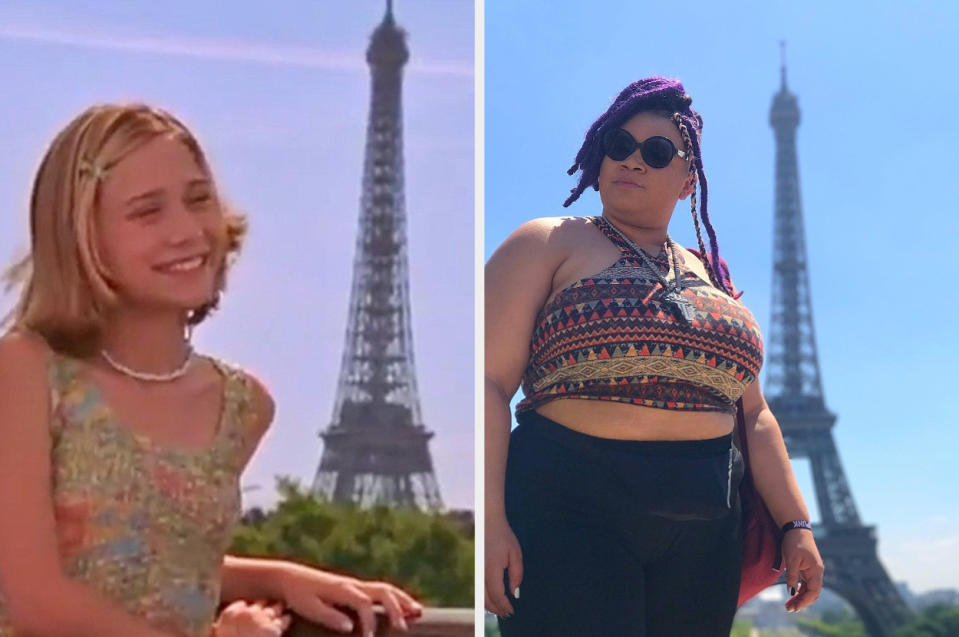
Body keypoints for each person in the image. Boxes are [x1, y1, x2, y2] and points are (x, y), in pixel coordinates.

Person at [0, 103, 422, 637]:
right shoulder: (27, 373)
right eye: (147, 212)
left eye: (198, 200)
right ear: (82, 235)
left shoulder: (241, 405)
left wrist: (280, 578)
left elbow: (158, 560)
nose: (187, 230)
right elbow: (36, 596)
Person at [484, 77, 825, 636]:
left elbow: (755, 415)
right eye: (618, 144)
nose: (632, 161)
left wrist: (796, 525)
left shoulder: (714, 276)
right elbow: (490, 384)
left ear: (689, 180)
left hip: (706, 516)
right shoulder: (548, 242)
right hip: (571, 502)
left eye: (656, 152)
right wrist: (492, 520)